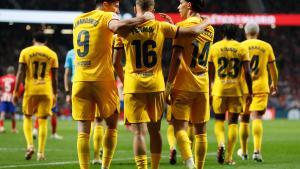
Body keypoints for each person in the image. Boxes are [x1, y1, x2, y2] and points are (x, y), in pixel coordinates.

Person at [113, 0, 210, 168]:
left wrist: (123, 80)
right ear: (153, 9)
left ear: (136, 8)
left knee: (138, 133)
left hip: (134, 85)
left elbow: (114, 62)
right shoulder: (161, 27)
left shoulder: (123, 30)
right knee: (155, 131)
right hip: (156, 85)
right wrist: (206, 22)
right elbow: (191, 31)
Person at [72, 0, 156, 168]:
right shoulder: (107, 15)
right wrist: (144, 18)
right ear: (105, 3)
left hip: (80, 79)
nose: (117, 9)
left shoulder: (78, 20)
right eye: (116, 4)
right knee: (111, 124)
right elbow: (117, 26)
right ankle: (105, 166)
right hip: (102, 79)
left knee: (83, 131)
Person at [164, 0, 214, 168]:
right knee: (201, 133)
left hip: (184, 84)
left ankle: (190, 163)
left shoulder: (183, 26)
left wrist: (168, 85)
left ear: (189, 5)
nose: (178, 7)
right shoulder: (210, 28)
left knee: (178, 128)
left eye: (181, 3)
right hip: (202, 85)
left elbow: (177, 57)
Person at [208, 24, 253, 165]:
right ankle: (228, 157)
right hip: (237, 91)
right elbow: (247, 72)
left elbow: (209, 71)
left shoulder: (214, 47)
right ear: (235, 33)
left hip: (219, 90)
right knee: (233, 123)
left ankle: (220, 143)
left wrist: (210, 88)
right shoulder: (241, 48)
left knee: (219, 121)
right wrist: (250, 92)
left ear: (222, 33)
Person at [13, 31, 58, 161]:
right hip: (46, 90)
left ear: (34, 40)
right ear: (46, 42)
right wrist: (54, 94)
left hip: (30, 90)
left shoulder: (25, 52)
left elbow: (20, 73)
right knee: (43, 121)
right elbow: (54, 79)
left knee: (27, 116)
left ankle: (30, 145)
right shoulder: (52, 54)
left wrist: (16, 92)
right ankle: (41, 153)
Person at [237, 22, 278, 162]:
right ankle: (257, 152)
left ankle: (243, 152)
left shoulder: (240, 46)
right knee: (257, 118)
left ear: (245, 32)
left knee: (244, 118)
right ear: (258, 32)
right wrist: (274, 84)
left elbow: (236, 70)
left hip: (244, 88)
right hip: (261, 87)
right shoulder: (266, 46)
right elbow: (273, 69)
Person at [0, 66, 19, 133]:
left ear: (7, 72)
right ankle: (13, 129)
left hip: (3, 97)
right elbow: (21, 88)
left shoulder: (2, 78)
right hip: (11, 98)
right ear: (13, 72)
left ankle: (1, 127)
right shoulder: (15, 79)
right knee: (13, 114)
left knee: (2, 113)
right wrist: (17, 96)